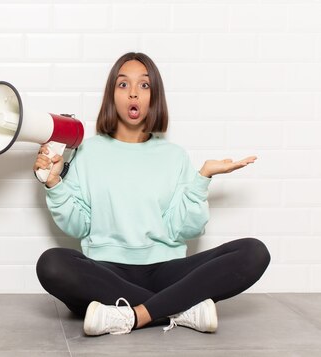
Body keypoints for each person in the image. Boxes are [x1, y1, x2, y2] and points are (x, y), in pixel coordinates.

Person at [33, 52, 270, 336]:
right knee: (52, 264)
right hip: (106, 272)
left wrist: (201, 179)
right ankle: (179, 308)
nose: (133, 93)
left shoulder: (174, 156)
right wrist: (55, 183)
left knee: (254, 252)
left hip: (167, 272)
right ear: (111, 95)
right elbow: (78, 226)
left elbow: (186, 229)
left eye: (144, 85)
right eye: (123, 85)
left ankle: (132, 315)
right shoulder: (87, 151)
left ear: (154, 96)